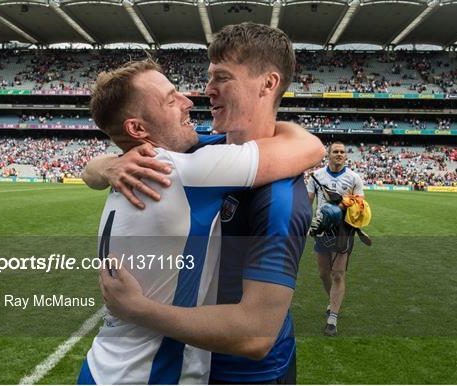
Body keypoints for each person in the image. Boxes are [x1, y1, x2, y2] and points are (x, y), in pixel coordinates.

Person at [86, 23, 323, 384]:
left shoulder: (279, 198)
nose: (200, 94)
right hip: (179, 367)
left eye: (222, 78)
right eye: (208, 77)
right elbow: (311, 146)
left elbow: (256, 334)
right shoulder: (196, 159)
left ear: (268, 83)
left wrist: (140, 310)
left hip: (247, 375)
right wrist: (106, 165)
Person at [307, 141, 365, 337]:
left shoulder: (354, 177)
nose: (339, 154)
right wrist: (307, 223)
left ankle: (333, 318)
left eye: (342, 152)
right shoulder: (316, 176)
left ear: (346, 156)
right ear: (328, 155)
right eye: (335, 151)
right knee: (324, 274)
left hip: (343, 230)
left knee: (338, 274)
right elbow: (307, 202)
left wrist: (347, 204)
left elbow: (360, 204)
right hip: (322, 229)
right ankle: (333, 300)